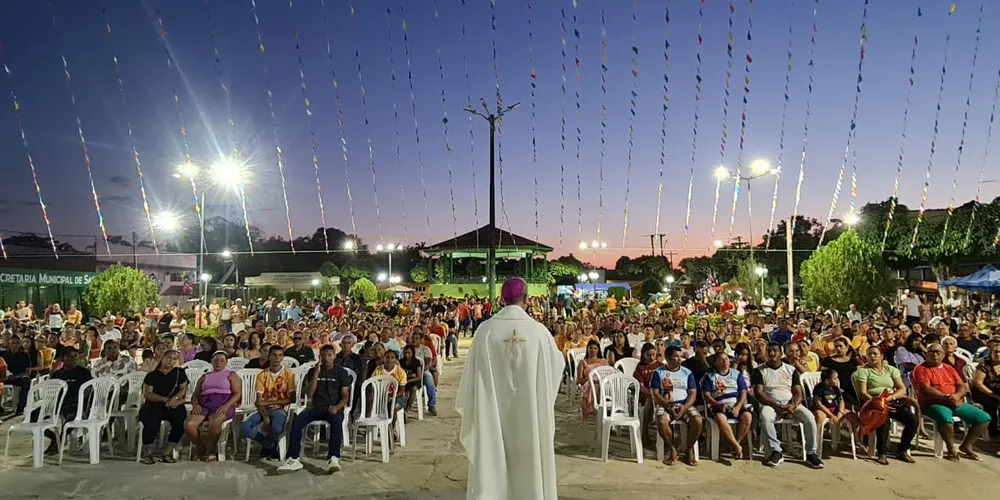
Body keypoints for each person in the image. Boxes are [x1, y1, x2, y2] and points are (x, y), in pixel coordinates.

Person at [456, 278, 565, 500]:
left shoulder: (485, 330)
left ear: (502, 300)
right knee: (531, 457)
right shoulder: (539, 331)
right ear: (526, 299)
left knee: (492, 450)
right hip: (530, 413)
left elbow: (472, 376)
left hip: (492, 413)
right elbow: (556, 366)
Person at [912, 343, 992, 461]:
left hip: (954, 401)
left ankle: (966, 445)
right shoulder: (921, 369)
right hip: (933, 403)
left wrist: (956, 396)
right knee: (946, 418)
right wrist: (947, 398)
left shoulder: (949, 368)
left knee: (984, 418)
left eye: (938, 352)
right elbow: (926, 389)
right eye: (931, 352)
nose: (935, 355)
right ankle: (951, 449)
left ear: (943, 354)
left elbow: (962, 386)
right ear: (926, 354)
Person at [278, 344, 351, 473]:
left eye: (329, 355)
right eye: (323, 356)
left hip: (333, 407)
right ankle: (293, 459)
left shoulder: (341, 372)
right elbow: (309, 394)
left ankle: (333, 458)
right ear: (319, 357)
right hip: (315, 407)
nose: (326, 358)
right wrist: (316, 374)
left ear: (334, 356)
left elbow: (345, 396)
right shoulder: (313, 371)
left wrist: (337, 407)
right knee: (297, 420)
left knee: (336, 421)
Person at [751, 342, 824, 469]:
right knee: (765, 417)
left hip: (790, 404)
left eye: (775, 350)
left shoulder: (791, 370)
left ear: (781, 353)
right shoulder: (759, 371)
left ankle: (811, 453)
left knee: (809, 418)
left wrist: (792, 405)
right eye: (769, 351)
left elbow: (798, 393)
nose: (772, 353)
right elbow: (759, 393)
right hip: (770, 404)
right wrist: (775, 406)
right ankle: (776, 451)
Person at [853, 346, 918, 464]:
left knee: (912, 420)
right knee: (883, 421)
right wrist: (878, 402)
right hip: (874, 402)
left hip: (891, 399)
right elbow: (862, 392)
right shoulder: (863, 371)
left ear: (881, 356)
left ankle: (903, 449)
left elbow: (902, 388)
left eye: (875, 354)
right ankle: (882, 452)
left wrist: (890, 398)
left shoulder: (890, 369)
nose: (872, 356)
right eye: (869, 354)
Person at [649, 346, 703, 466]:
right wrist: (667, 406)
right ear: (668, 358)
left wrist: (685, 407)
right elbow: (655, 393)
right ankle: (672, 448)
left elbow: (693, 393)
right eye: (676, 356)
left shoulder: (687, 373)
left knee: (698, 420)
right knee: (661, 419)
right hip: (666, 404)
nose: (679, 359)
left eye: (680, 356)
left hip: (684, 404)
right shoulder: (658, 373)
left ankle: (689, 448)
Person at [241, 346, 296, 460]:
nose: (277, 358)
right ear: (269, 356)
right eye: (274, 355)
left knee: (276, 428)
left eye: (280, 355)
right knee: (244, 427)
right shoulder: (262, 375)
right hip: (263, 410)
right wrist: (265, 416)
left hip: (280, 410)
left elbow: (292, 399)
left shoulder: (288, 373)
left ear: (283, 357)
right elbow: (258, 401)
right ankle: (269, 444)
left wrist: (268, 403)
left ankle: (268, 446)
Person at [184, 351, 241, 461]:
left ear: (226, 362)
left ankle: (211, 449)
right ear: (211, 362)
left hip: (224, 404)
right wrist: (195, 405)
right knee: (189, 424)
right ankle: (201, 448)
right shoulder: (204, 376)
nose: (218, 362)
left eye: (221, 360)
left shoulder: (231, 375)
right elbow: (195, 395)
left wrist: (226, 406)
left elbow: (237, 393)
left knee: (215, 421)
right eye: (216, 360)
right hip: (205, 404)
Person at [138, 349, 188, 464]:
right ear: (163, 358)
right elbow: (148, 393)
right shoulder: (152, 375)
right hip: (154, 404)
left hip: (172, 404)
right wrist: (164, 399)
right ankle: (148, 453)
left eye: (174, 359)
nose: (171, 360)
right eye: (169, 357)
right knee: (151, 422)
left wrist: (174, 399)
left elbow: (183, 389)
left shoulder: (179, 373)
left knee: (180, 420)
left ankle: (167, 452)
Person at [701, 351, 752, 460]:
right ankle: (737, 447)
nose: (725, 362)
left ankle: (735, 445)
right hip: (719, 404)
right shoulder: (709, 376)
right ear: (716, 363)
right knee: (720, 418)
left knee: (747, 417)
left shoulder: (736, 374)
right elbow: (706, 395)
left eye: (727, 359)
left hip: (735, 403)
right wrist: (718, 405)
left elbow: (743, 393)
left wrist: (738, 407)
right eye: (721, 360)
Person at [39, 347, 92, 454]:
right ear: (62, 359)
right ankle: (55, 438)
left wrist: (79, 400)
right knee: (33, 417)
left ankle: (60, 442)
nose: (72, 359)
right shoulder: (57, 374)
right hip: (58, 403)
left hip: (77, 403)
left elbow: (89, 389)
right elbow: (51, 391)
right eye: (69, 356)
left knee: (69, 416)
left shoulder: (84, 372)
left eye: (75, 356)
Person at [971, 343, 1000, 439]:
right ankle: (993, 431)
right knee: (992, 403)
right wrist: (993, 395)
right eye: (996, 352)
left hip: (998, 391)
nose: (998, 354)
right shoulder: (984, 364)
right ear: (991, 352)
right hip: (983, 392)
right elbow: (978, 383)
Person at [576, 340, 608, 422]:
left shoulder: (603, 361)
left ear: (598, 350)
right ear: (587, 349)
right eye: (590, 348)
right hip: (587, 384)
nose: (593, 350)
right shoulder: (583, 362)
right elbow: (579, 380)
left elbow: (608, 375)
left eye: (595, 348)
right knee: (593, 385)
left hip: (602, 384)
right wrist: (590, 380)